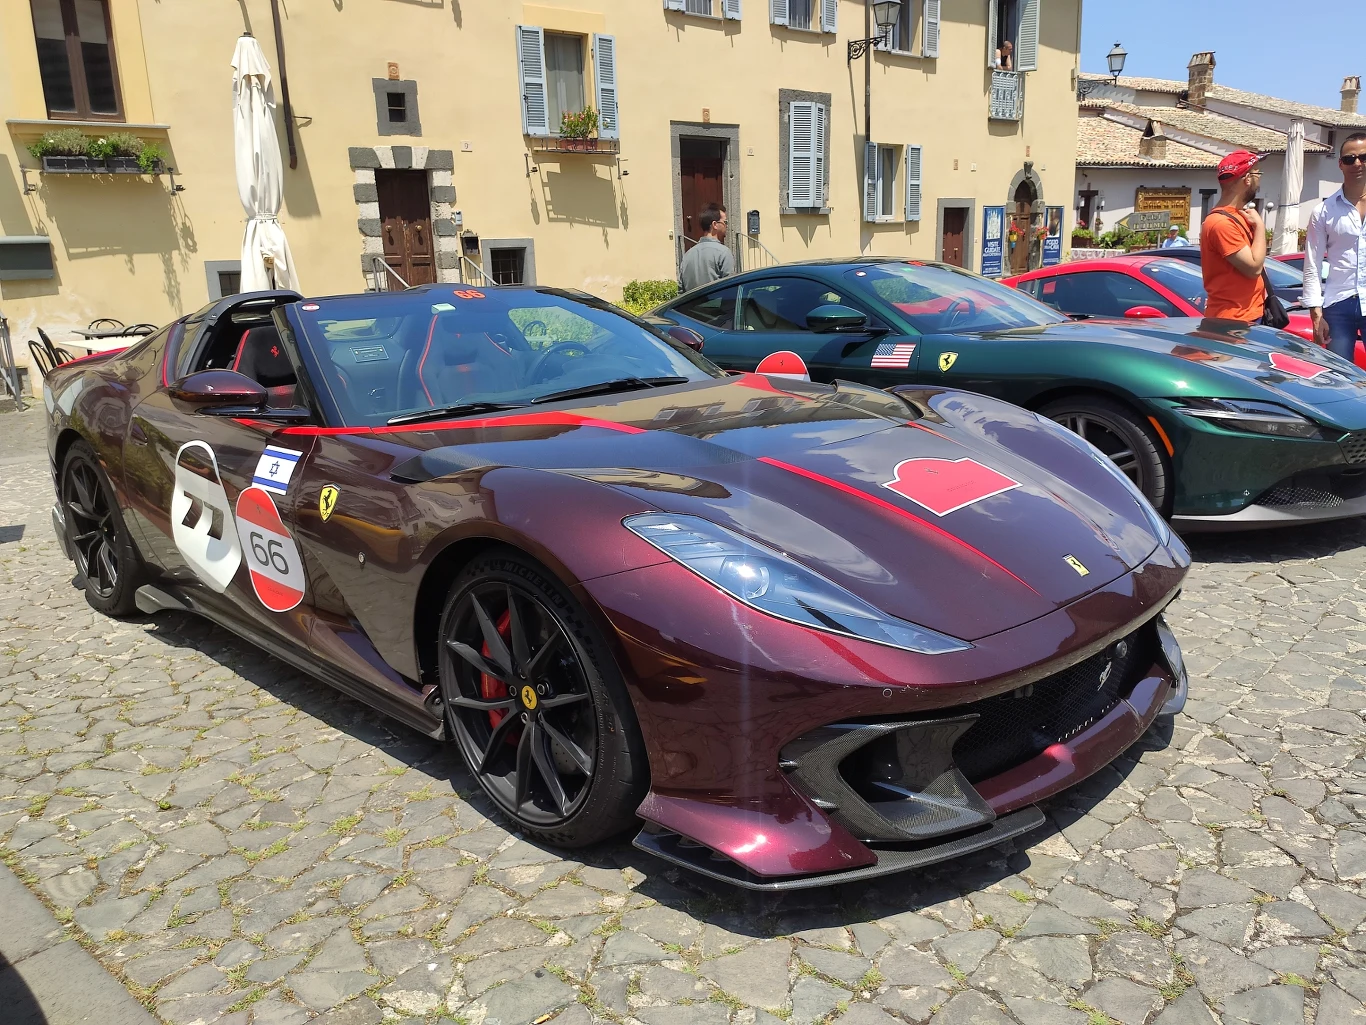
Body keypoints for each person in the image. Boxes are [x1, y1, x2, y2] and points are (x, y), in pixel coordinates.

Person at [1303, 132, 1366, 361]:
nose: (1357, 163)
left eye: (1363, 157)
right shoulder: (1324, 211)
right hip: (1338, 304)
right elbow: (1312, 262)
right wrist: (1315, 311)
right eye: (1350, 159)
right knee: (1341, 377)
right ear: (1340, 164)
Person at [1199, 150, 1267, 324]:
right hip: (1233, 321)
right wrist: (1259, 228)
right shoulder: (1221, 223)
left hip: (1246, 316)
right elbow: (1253, 268)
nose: (1260, 180)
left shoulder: (1237, 216)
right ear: (1248, 179)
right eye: (1258, 173)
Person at [678, 203, 733, 293]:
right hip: (717, 306)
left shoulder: (687, 255)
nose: (726, 226)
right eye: (725, 222)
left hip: (691, 306)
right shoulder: (723, 252)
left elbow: (681, 290)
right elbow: (730, 289)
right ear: (715, 224)